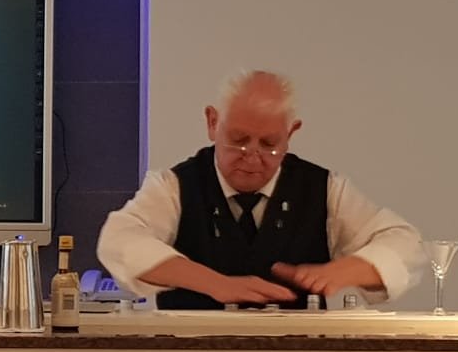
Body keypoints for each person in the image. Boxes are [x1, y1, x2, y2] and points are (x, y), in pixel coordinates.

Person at [97, 70, 425, 309]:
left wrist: (347, 270)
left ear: (291, 134)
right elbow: (119, 239)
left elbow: (407, 244)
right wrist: (215, 284)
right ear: (212, 122)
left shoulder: (325, 189)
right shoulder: (174, 186)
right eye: (238, 140)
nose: (252, 157)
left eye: (269, 144)